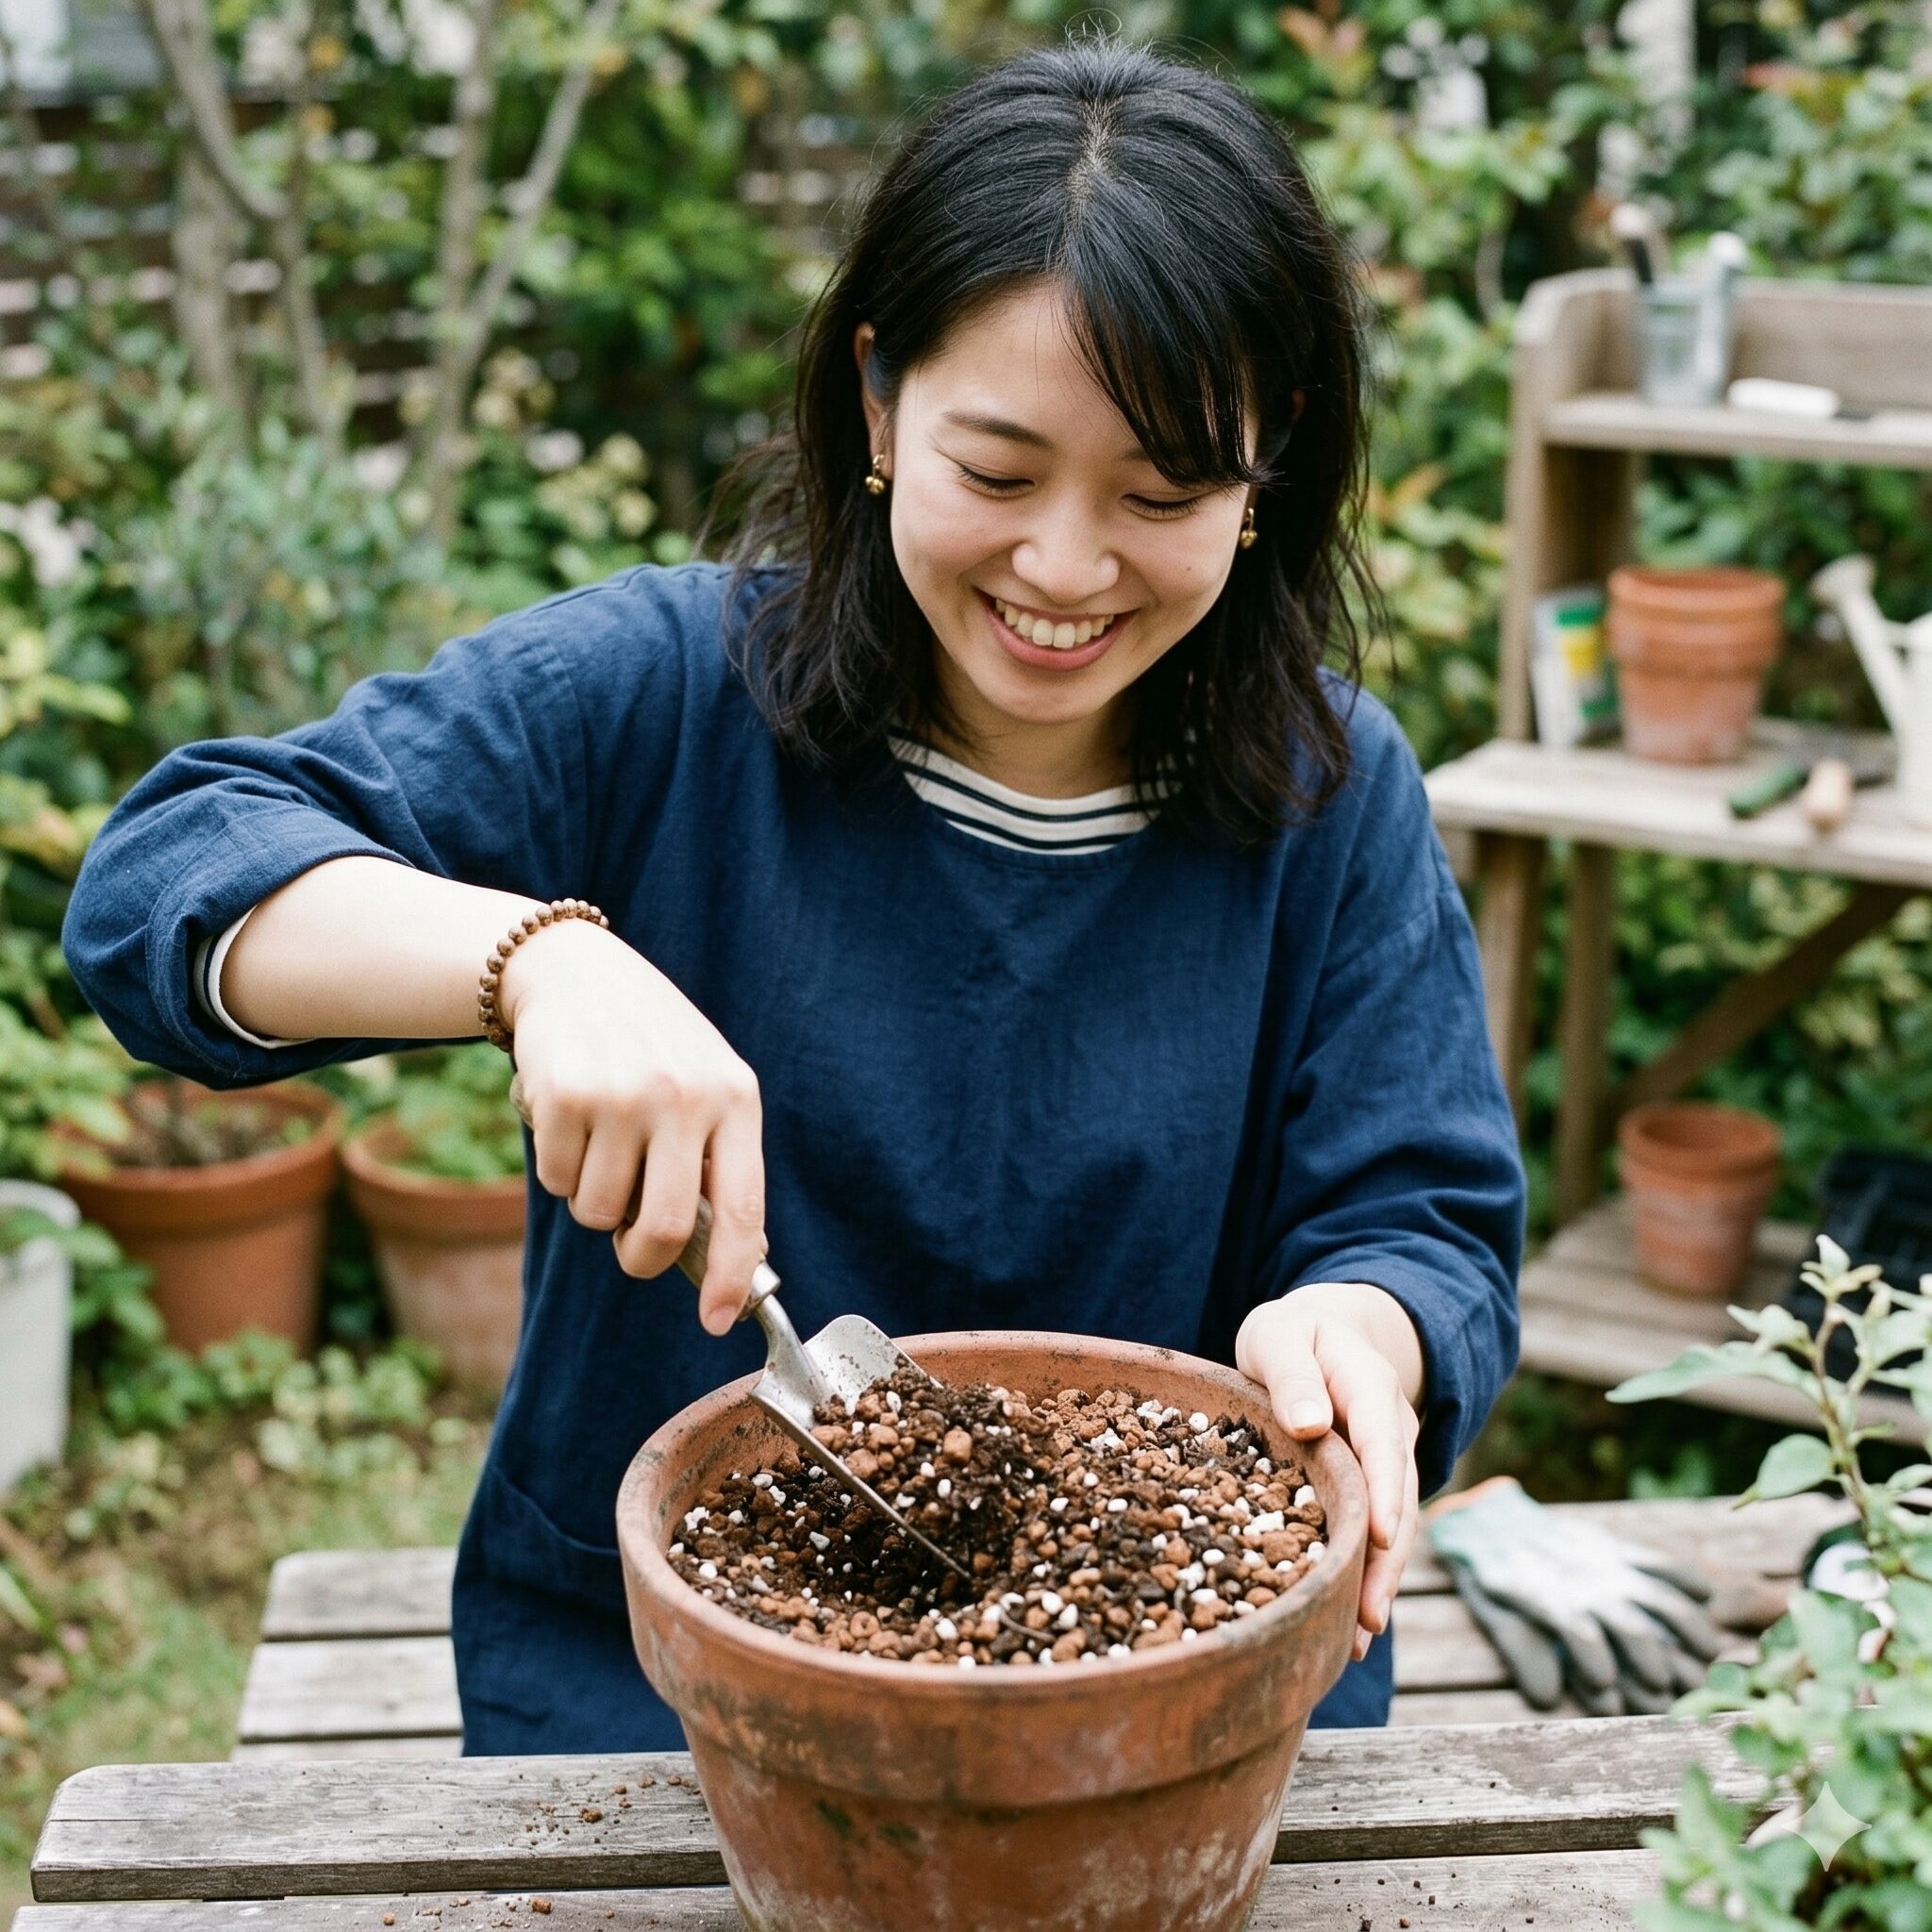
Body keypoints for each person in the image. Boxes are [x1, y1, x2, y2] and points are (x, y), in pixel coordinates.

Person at [62, 34, 1524, 1749]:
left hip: (1161, 1716)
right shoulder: (661, 697)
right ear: (879, 401)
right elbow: (165, 878)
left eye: (1165, 494)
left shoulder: (1329, 796)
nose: (1065, 567)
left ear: (1270, 475)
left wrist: (1369, 1322)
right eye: (998, 472)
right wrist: (532, 961)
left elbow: (1423, 1220)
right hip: (663, 1709)